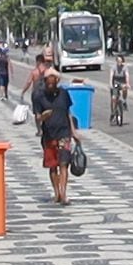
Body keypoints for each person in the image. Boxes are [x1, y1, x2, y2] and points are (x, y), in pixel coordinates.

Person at [30, 61, 82, 206]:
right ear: (45, 82)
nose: (50, 85)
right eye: (48, 83)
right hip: (48, 135)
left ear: (57, 81)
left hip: (64, 133)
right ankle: (57, 193)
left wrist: (74, 132)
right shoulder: (39, 96)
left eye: (53, 83)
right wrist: (43, 118)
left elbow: (68, 113)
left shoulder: (64, 94)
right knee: (53, 165)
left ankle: (64, 194)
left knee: (64, 163)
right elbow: (37, 117)